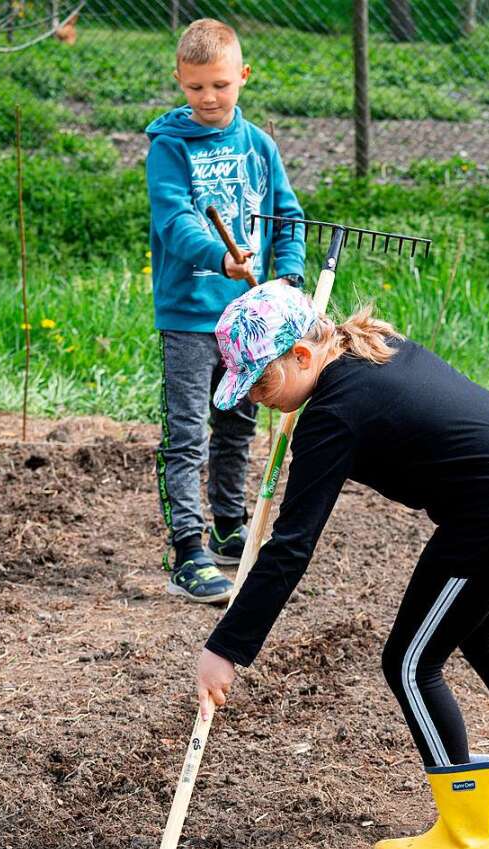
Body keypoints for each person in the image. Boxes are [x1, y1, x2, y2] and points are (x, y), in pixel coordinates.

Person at [195, 279, 489, 849]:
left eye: (263, 383)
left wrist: (227, 647)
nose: (256, 400)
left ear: (303, 356)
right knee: (478, 631)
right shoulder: (371, 349)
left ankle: (463, 835)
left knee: (409, 661)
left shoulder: (333, 412)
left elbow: (291, 546)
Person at [146, 18, 306, 604]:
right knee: (187, 432)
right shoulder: (168, 149)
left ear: (243, 76)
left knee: (237, 423)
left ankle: (228, 524)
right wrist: (220, 255)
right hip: (190, 316)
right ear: (179, 83)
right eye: (195, 88)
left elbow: (287, 215)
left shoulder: (259, 146)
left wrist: (287, 279)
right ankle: (187, 549)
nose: (208, 98)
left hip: (249, 318)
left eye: (219, 84)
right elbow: (176, 221)